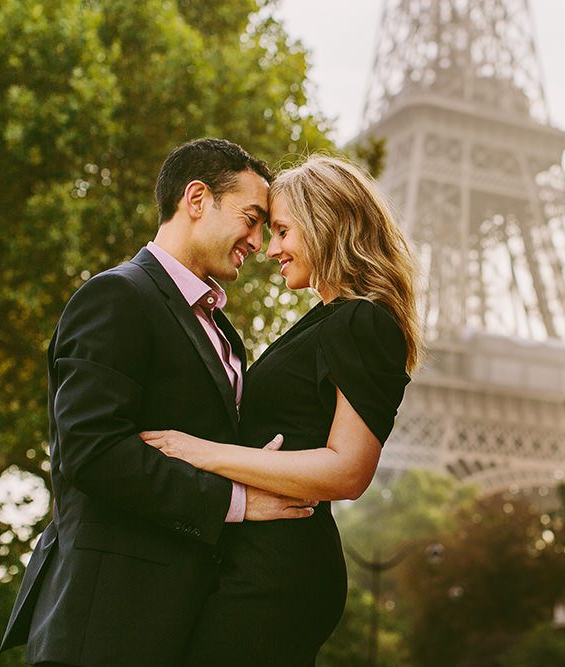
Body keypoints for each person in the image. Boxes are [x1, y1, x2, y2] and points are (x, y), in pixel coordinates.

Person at [0, 138, 318, 666]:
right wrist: (236, 502)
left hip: (181, 625)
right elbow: (91, 451)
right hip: (106, 626)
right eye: (252, 218)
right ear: (196, 200)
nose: (259, 242)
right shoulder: (117, 296)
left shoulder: (222, 332)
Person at [140, 155, 423, 665]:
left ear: (325, 226)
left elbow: (348, 470)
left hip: (278, 572)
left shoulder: (361, 321)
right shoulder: (330, 320)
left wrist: (202, 453)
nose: (270, 249)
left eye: (282, 231)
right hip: (260, 561)